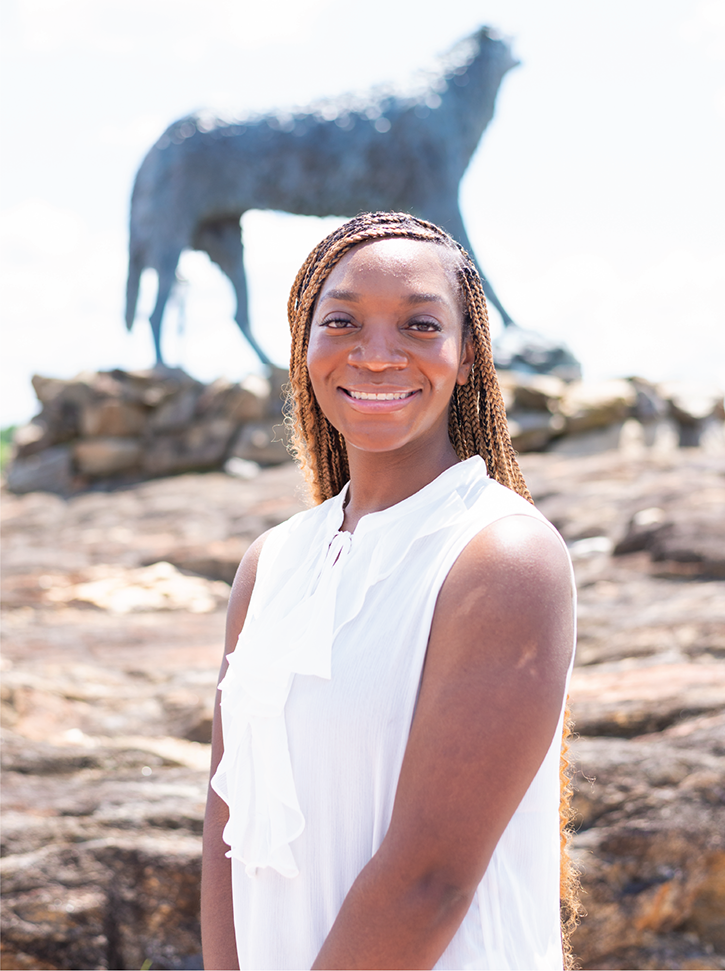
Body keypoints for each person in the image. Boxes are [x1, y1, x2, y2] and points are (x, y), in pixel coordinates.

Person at [201, 211, 579, 971]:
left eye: (417, 325)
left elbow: (430, 882)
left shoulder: (500, 555)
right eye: (340, 320)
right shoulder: (270, 563)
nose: (375, 355)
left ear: (466, 354)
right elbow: (226, 836)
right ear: (305, 345)